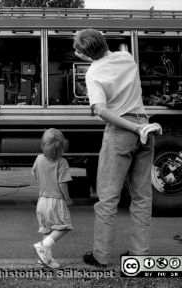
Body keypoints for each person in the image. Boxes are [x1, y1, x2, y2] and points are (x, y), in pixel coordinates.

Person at [73, 29, 161, 267]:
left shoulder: (93, 73)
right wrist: (140, 128)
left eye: (78, 50)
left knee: (108, 198)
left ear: (84, 53)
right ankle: (140, 254)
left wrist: (133, 129)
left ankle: (101, 255)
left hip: (123, 131)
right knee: (142, 196)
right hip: (146, 124)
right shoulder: (127, 57)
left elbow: (101, 111)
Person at [31, 128, 73, 269]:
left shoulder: (38, 159)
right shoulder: (62, 162)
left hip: (42, 200)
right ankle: (44, 246)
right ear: (62, 147)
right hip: (56, 201)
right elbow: (62, 183)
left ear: (43, 145)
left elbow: (35, 174)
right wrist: (67, 199)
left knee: (47, 230)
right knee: (64, 227)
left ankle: (45, 260)